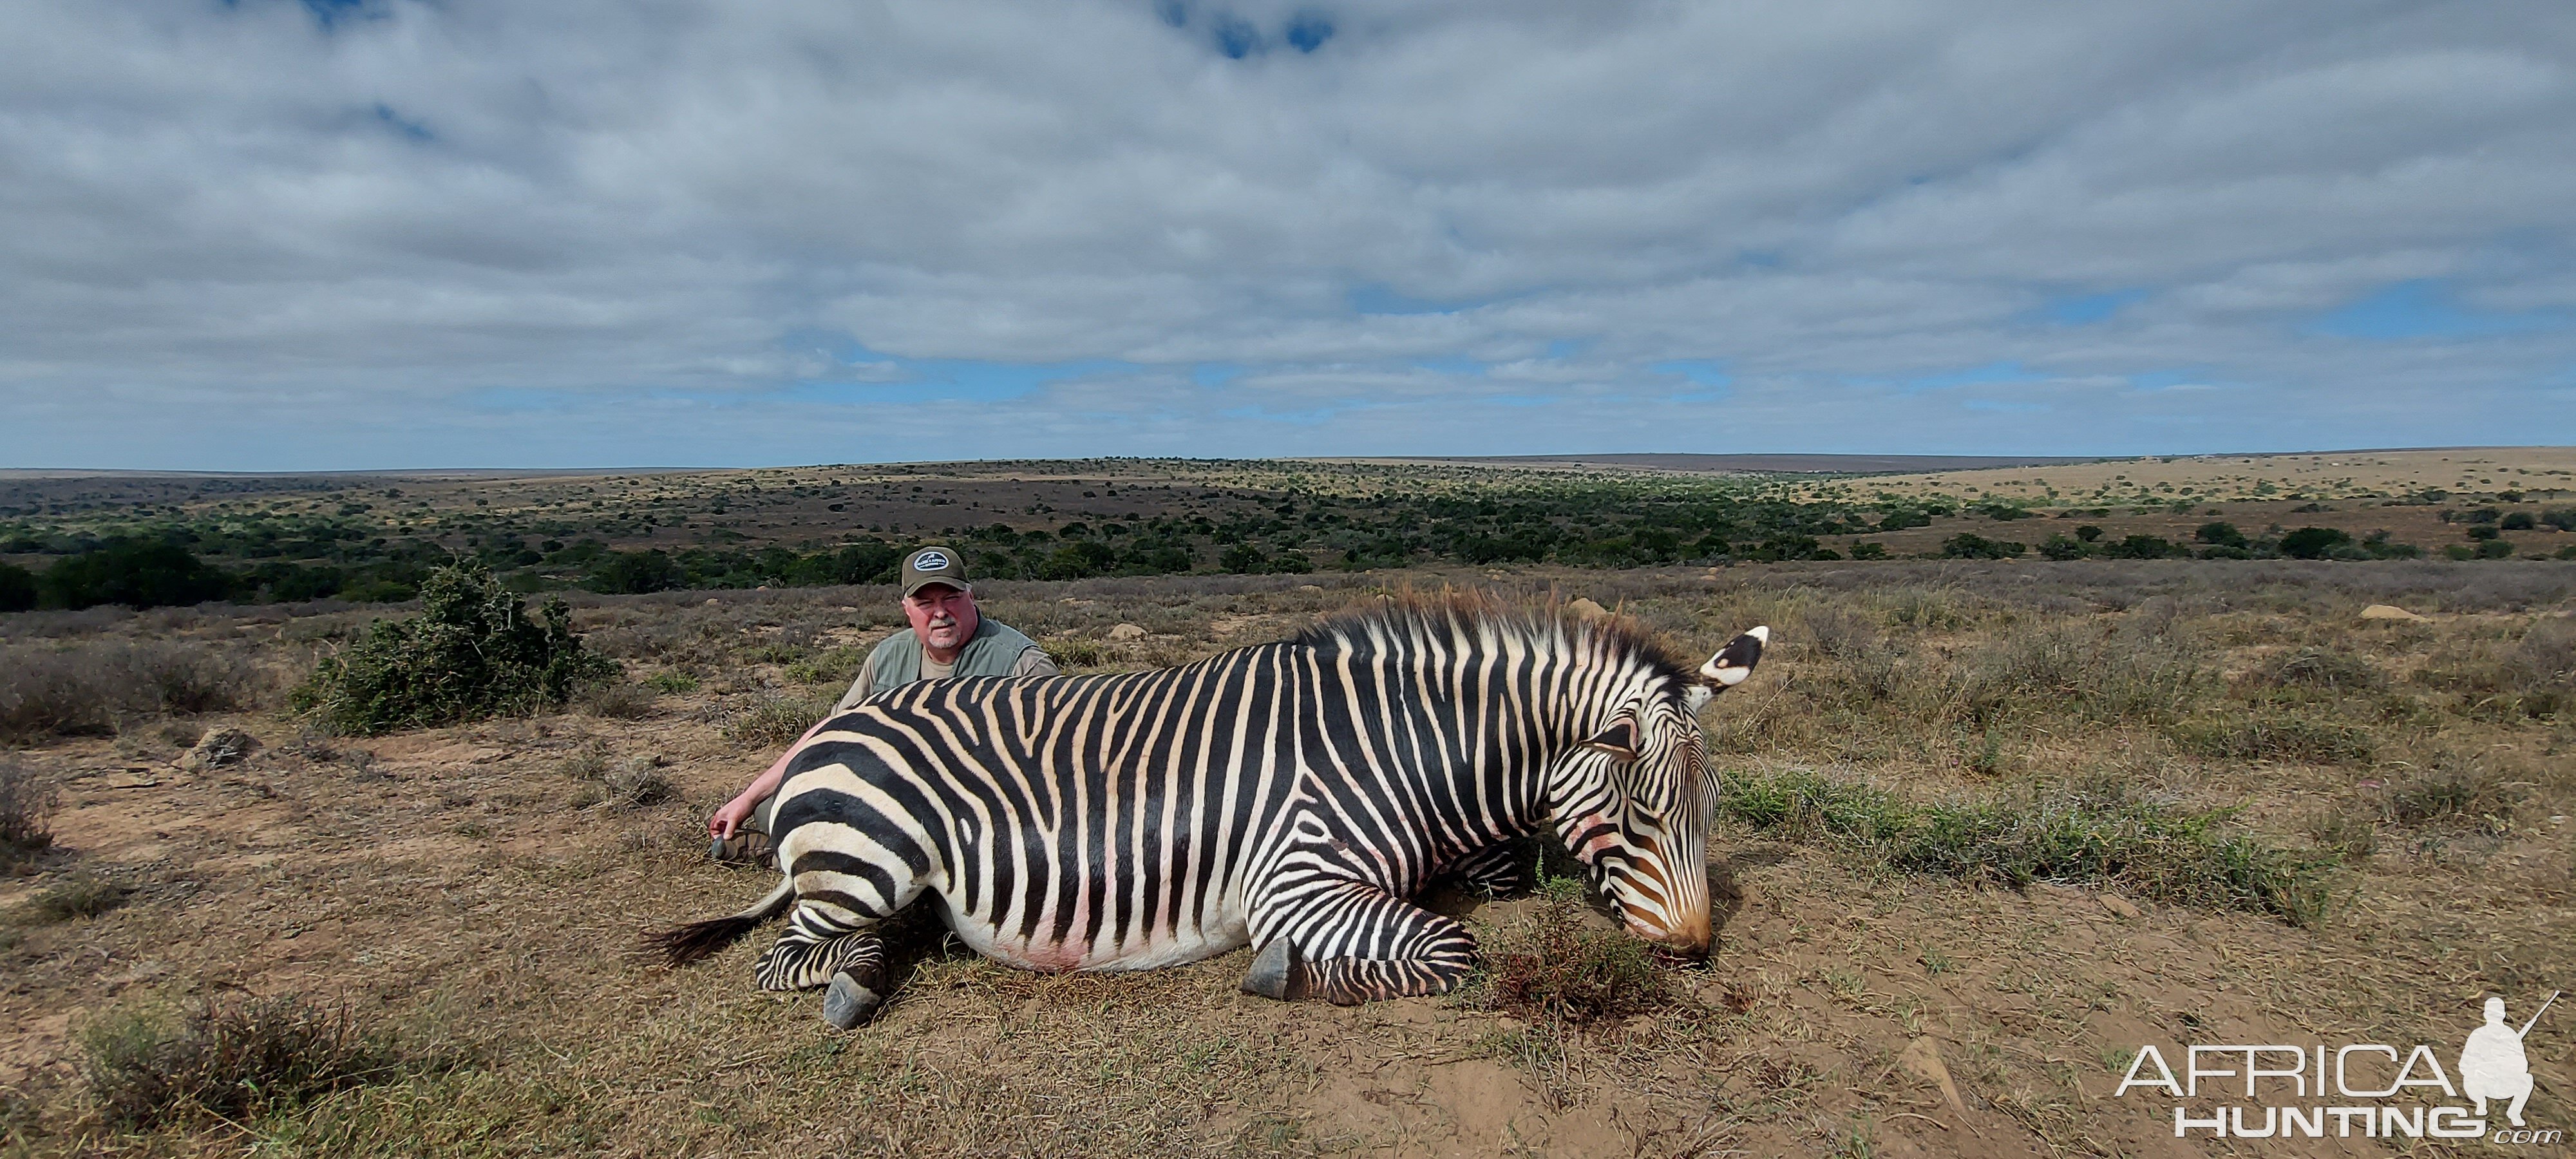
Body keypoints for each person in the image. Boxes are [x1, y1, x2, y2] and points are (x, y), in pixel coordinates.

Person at [707, 545, 1057, 862]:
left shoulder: (1022, 663)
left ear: (971, 596)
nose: (940, 613)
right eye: (925, 603)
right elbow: (829, 735)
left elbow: (1057, 764)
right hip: (893, 794)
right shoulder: (888, 656)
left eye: (950, 598)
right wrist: (749, 798)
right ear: (907, 609)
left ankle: (798, 857)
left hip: (978, 807)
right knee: (776, 806)